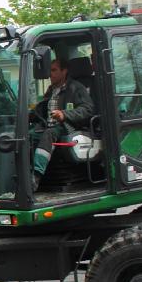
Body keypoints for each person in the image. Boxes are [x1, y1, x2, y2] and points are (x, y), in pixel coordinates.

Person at [29, 57, 94, 190]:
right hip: (49, 126)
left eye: (54, 70)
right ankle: (24, 172)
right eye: (49, 70)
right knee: (27, 136)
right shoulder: (51, 90)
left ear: (64, 71)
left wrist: (64, 114)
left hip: (68, 127)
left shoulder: (76, 88)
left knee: (49, 133)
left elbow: (88, 110)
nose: (50, 74)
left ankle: (36, 176)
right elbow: (41, 110)